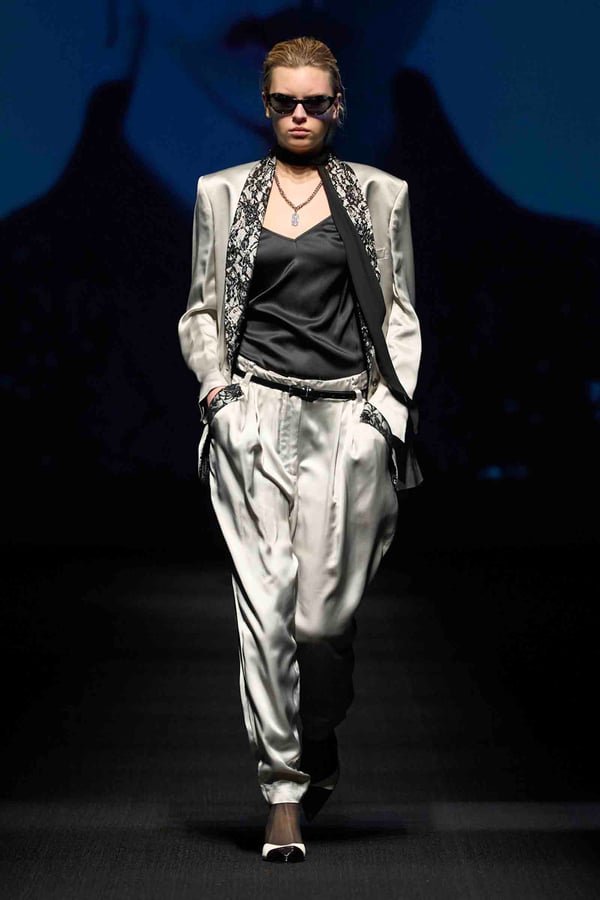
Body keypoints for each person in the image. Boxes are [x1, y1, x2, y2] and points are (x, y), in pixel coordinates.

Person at [178, 35, 422, 864]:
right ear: (266, 105)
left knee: (321, 624)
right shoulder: (223, 194)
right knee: (265, 610)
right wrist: (218, 395)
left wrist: (384, 416)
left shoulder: (380, 195)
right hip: (252, 415)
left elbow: (400, 315)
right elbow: (201, 311)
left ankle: (318, 734)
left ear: (338, 105)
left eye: (315, 102)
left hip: (346, 420)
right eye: (285, 102)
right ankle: (281, 793)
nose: (299, 116)